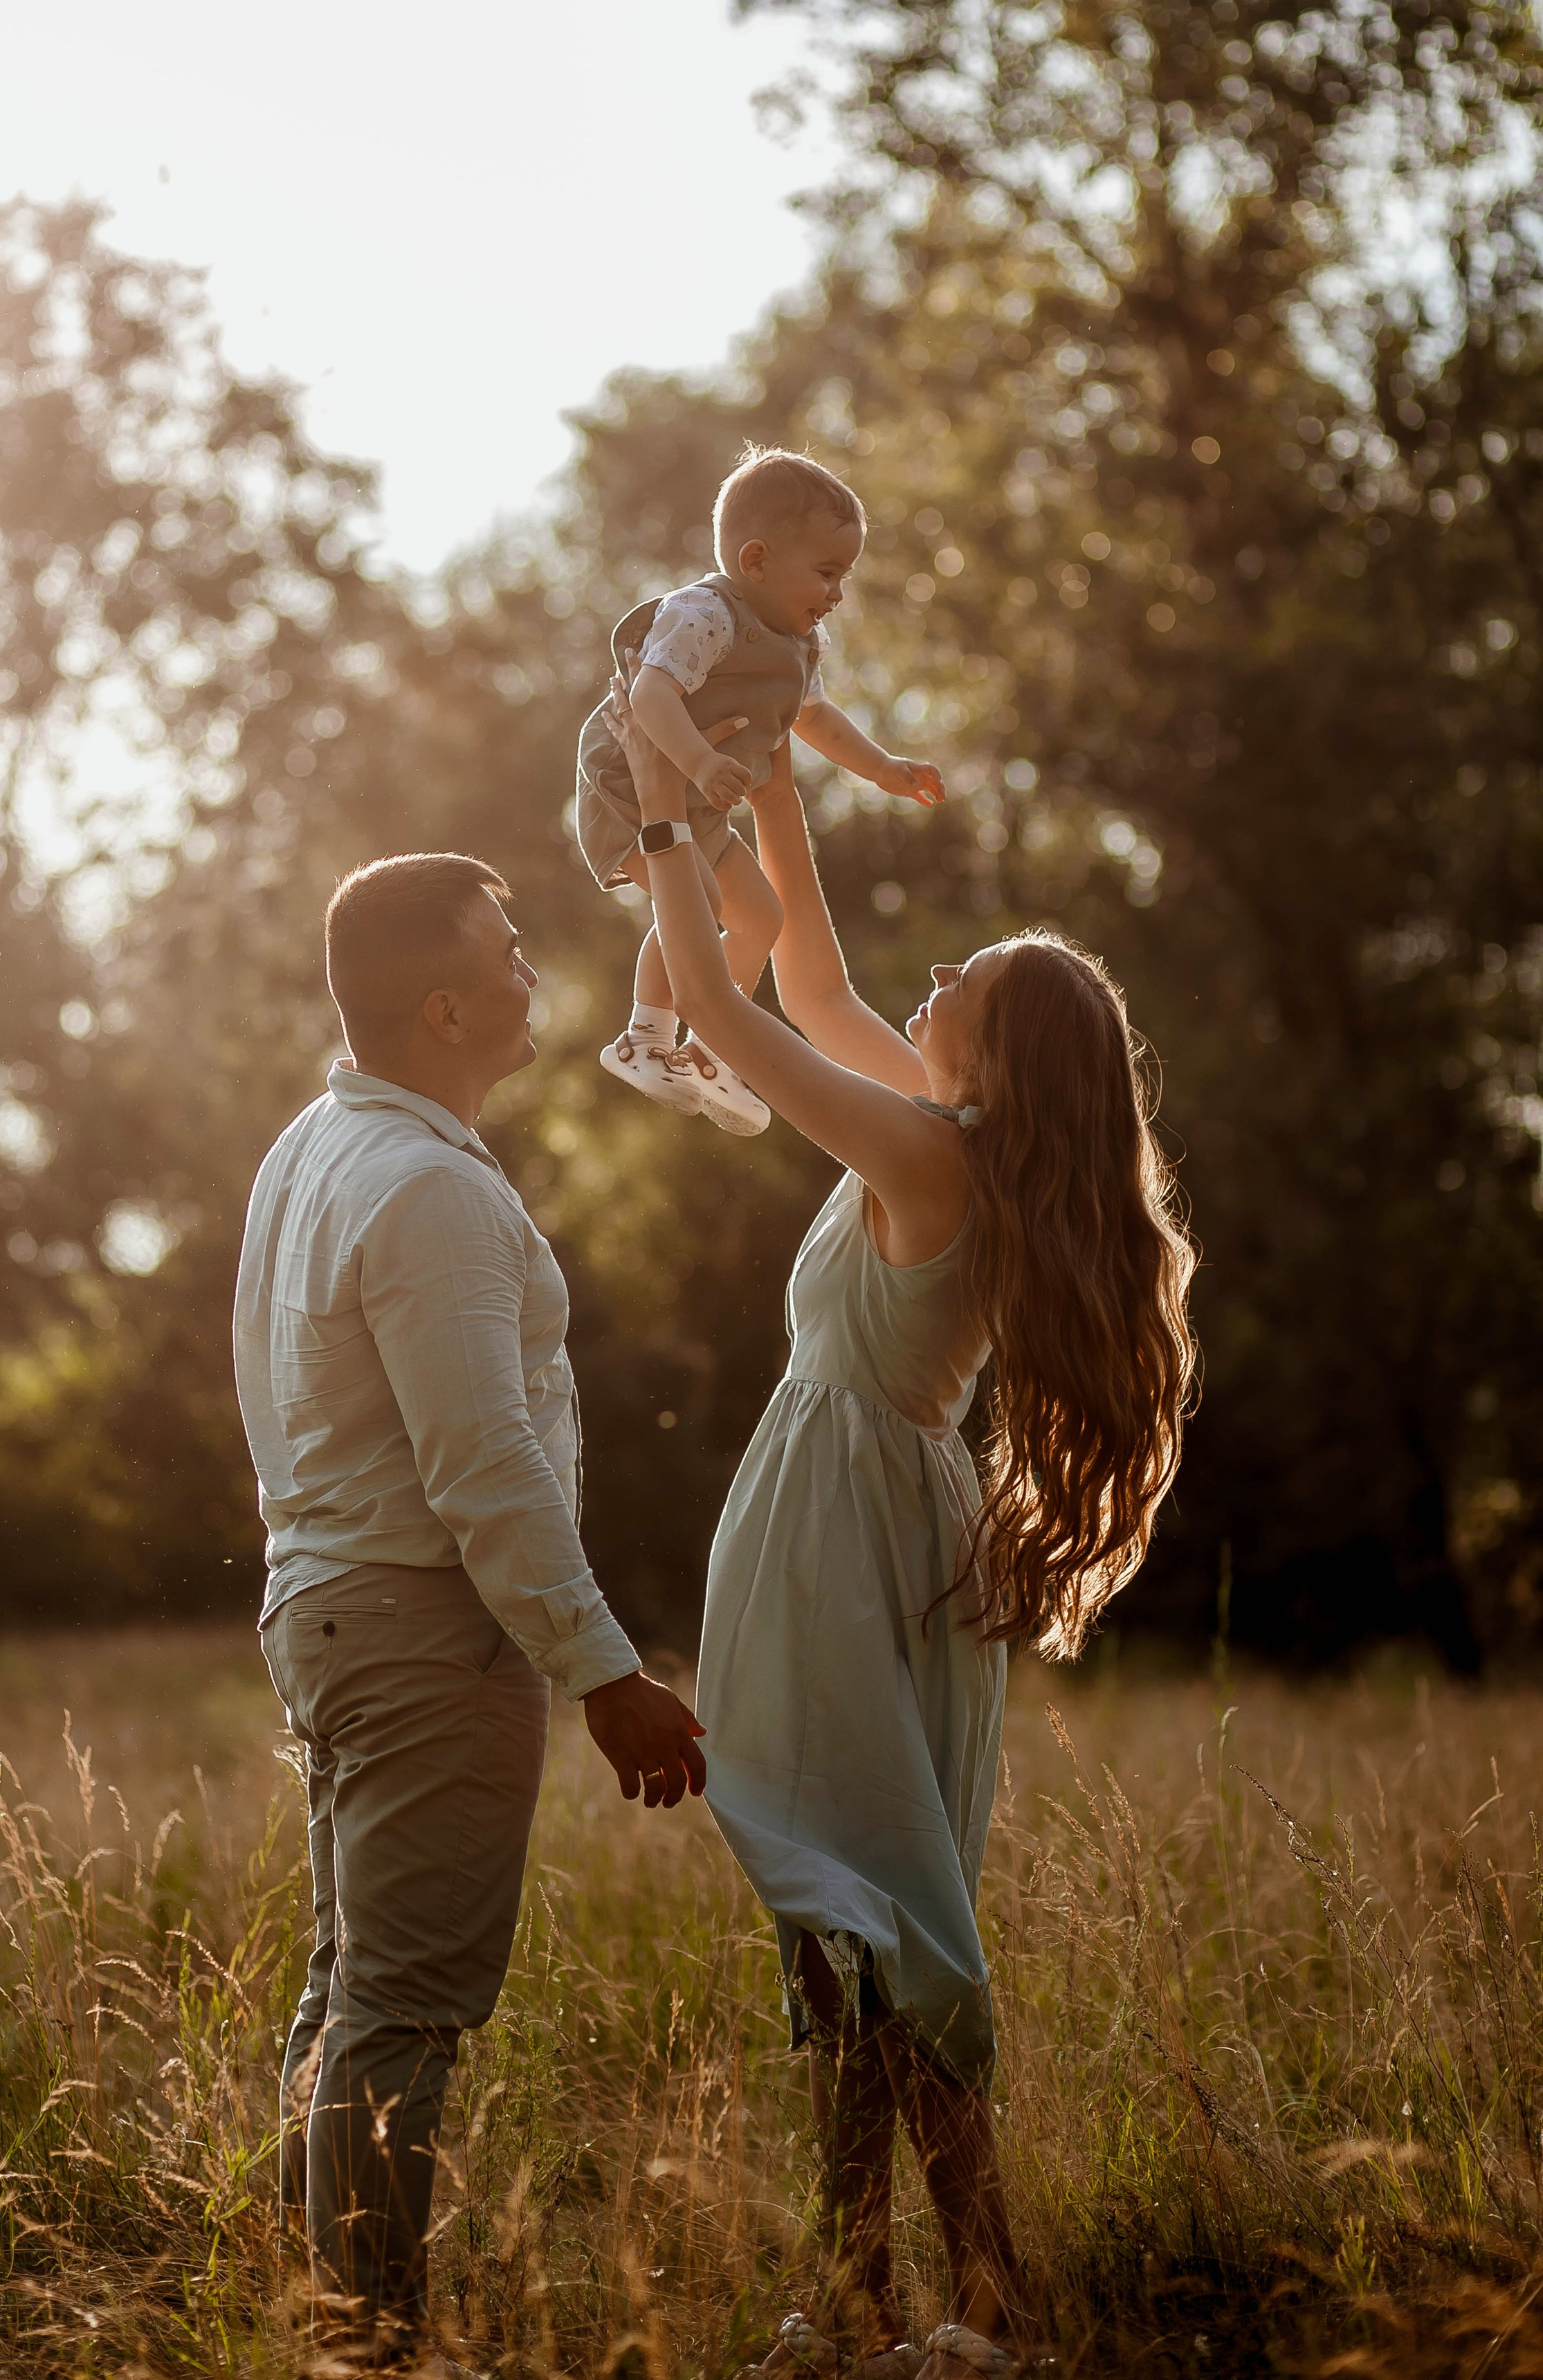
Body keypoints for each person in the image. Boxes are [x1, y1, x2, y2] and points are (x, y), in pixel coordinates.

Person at [608, 696, 1196, 2373]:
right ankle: (868, 2289)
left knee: (864, 1915)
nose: (924, 991)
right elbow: (816, 988)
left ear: (995, 1062)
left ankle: (973, 2293)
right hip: (886, 1517)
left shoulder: (928, 1156)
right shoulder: (960, 1146)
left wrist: (664, 819)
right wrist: (774, 780)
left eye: (964, 987)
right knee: (852, 1917)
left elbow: (723, 999)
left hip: (841, 1528)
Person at [232, 851, 707, 2364]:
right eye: (505, 953)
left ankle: (324, 2318)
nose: (531, 971)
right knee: (404, 2009)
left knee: (349, 1981)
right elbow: (484, 1470)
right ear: (443, 1009)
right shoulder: (425, 1188)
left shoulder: (315, 1143)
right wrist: (603, 1672)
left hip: (326, 1604)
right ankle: (370, 2341)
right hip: (418, 1629)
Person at [574, 446, 944, 1137]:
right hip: (633, 786)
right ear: (755, 562)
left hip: (699, 798)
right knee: (707, 904)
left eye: (845, 576)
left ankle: (711, 1053)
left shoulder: (800, 645)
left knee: (761, 917)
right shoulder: (703, 614)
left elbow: (815, 718)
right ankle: (643, 1037)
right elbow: (648, 692)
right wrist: (694, 760)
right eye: (827, 573)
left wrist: (882, 768)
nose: (837, 593)